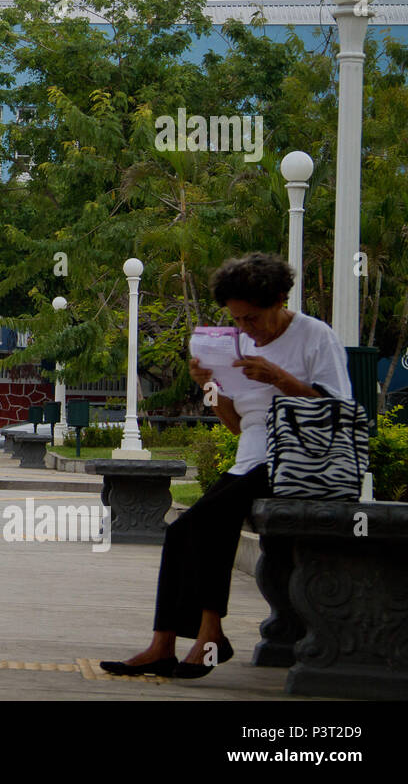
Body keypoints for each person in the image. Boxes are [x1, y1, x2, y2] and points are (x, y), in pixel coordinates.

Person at [102, 253, 351, 679]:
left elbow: (339, 412)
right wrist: (211, 388)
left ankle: (211, 633)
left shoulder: (315, 336)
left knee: (210, 518)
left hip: (297, 460)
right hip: (252, 459)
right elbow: (237, 425)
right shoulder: (240, 343)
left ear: (280, 299)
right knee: (181, 529)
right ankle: (164, 643)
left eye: (252, 318)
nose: (245, 329)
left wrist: (279, 379)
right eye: (237, 320)